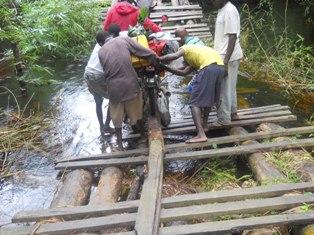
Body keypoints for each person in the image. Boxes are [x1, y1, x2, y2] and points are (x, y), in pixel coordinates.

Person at [97, 31, 158, 150]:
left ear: (101, 43)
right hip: (130, 84)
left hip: (113, 88)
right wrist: (155, 58)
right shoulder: (123, 39)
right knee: (136, 111)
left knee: (116, 115)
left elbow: (106, 69)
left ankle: (119, 144)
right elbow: (142, 51)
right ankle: (143, 135)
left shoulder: (101, 51)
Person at [158, 42, 225, 143]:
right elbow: (184, 72)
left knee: (194, 103)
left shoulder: (185, 48)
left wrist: (158, 59)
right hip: (220, 68)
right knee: (209, 98)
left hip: (208, 68)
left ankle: (201, 135)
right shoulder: (198, 54)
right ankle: (205, 126)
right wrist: (167, 69)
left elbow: (175, 56)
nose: (184, 63)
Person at [212, 0, 243, 126]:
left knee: (223, 88)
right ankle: (232, 113)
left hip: (227, 57)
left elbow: (233, 36)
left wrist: (225, 61)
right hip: (226, 56)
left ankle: (223, 120)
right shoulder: (223, 9)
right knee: (230, 86)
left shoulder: (229, 10)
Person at [84, 30, 120, 136]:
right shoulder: (110, 45)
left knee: (98, 102)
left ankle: (102, 127)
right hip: (98, 75)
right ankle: (107, 126)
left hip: (88, 73)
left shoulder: (98, 44)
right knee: (114, 99)